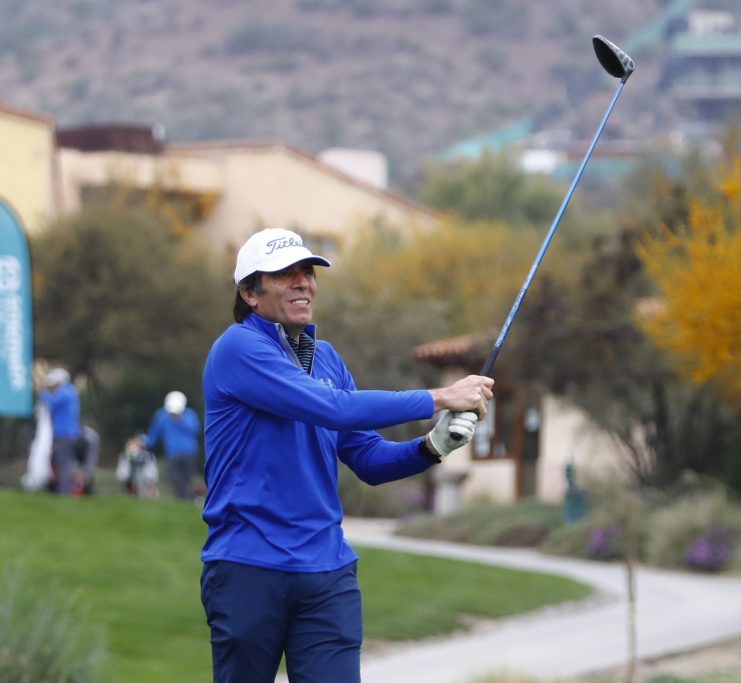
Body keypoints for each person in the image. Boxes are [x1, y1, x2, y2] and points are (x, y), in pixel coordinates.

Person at [200, 227, 493, 683]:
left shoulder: (327, 359)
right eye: (285, 274)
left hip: (327, 571)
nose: (303, 282)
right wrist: (440, 397)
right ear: (249, 293)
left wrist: (432, 446)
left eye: (308, 272)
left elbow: (368, 458)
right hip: (248, 566)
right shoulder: (238, 349)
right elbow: (333, 408)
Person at [142, 390, 202, 499]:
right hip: (172, 454)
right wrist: (143, 443)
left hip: (189, 453)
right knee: (174, 478)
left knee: (187, 479)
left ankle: (188, 499)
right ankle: (184, 499)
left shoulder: (189, 414)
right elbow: (153, 434)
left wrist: (180, 420)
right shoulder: (161, 415)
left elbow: (196, 430)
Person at [37, 367, 81, 496]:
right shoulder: (70, 391)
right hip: (68, 433)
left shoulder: (65, 392)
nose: (54, 387)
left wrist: (42, 393)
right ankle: (66, 490)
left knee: (63, 463)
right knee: (65, 462)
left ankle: (64, 492)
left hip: (65, 433)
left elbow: (52, 403)